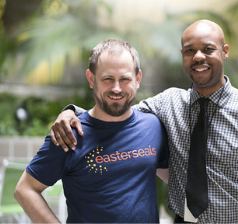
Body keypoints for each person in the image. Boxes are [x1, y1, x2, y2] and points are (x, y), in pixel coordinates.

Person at [50, 20, 238, 223]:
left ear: (225, 51)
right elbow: (117, 113)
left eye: (208, 49)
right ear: (183, 56)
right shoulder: (168, 103)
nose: (198, 56)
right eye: (190, 50)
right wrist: (71, 112)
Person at [14, 38, 169, 223]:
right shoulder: (68, 133)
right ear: (91, 79)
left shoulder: (153, 126)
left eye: (125, 79)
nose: (116, 88)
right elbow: (25, 190)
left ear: (137, 79)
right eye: (108, 79)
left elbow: (176, 180)